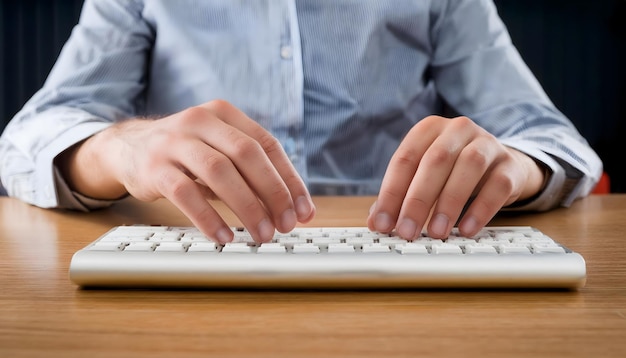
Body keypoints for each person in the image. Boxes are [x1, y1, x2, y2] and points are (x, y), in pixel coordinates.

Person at [0, 0, 602, 244]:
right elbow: (30, 138)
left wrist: (513, 165)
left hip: (405, 263)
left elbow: (553, 140)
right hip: (197, 261)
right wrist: (124, 148)